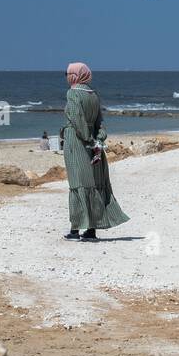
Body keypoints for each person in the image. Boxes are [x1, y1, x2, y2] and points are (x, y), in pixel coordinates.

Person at [61, 62, 129, 242]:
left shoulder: (73, 93)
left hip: (77, 143)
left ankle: (75, 230)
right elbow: (100, 123)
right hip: (94, 144)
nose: (67, 76)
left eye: (68, 73)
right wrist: (98, 140)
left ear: (75, 75)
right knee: (93, 184)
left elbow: (77, 119)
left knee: (78, 184)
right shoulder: (93, 95)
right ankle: (90, 230)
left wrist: (88, 140)